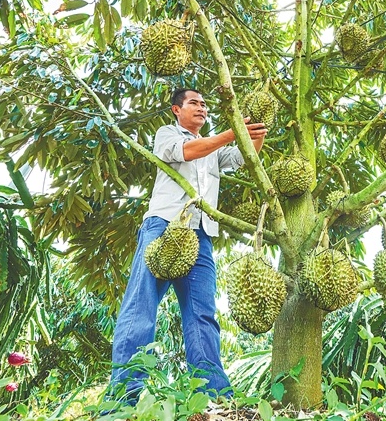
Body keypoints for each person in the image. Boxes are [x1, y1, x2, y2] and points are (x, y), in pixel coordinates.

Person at [109, 88, 267, 404]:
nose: (201, 107)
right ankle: (122, 398)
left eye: (204, 103)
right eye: (194, 102)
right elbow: (188, 152)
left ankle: (213, 395)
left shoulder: (213, 147)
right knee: (141, 308)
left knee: (203, 315)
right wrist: (232, 132)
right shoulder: (167, 134)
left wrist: (255, 133)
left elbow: (240, 157)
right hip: (163, 227)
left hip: (201, 236)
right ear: (176, 110)